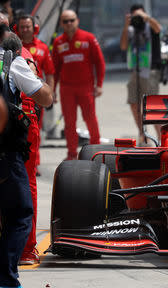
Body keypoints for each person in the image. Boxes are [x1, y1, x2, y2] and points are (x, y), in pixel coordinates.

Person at [0, 31, 53, 288]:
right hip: (6, 148)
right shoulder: (15, 59)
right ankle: (10, 273)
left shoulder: (29, 52)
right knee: (21, 210)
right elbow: (45, 96)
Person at [14, 14, 55, 265]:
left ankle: (26, 247)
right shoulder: (20, 55)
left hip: (20, 124)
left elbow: (46, 91)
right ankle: (25, 248)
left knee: (23, 184)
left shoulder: (22, 54)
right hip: (19, 122)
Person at [52, 10, 105, 160]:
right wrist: (53, 90)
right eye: (65, 21)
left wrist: (99, 84)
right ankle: (71, 154)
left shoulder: (88, 38)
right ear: (61, 23)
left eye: (72, 20)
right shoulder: (58, 42)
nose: (69, 23)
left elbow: (99, 63)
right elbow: (54, 69)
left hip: (86, 87)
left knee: (90, 119)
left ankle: (96, 151)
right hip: (66, 88)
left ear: (77, 20)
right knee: (69, 123)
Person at [120, 4, 162, 145]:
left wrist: (147, 18)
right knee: (134, 103)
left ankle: (161, 137)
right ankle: (142, 134)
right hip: (135, 70)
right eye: (135, 16)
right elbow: (123, 46)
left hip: (150, 70)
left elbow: (158, 29)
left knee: (152, 106)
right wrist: (126, 25)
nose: (138, 19)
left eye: (139, 16)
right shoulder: (131, 29)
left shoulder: (150, 27)